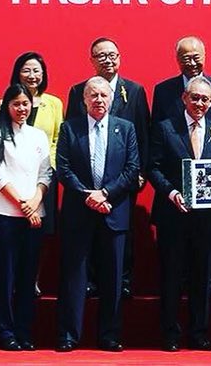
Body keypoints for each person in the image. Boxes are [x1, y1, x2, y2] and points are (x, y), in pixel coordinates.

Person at [56, 77, 141, 352]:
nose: (99, 100)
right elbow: (64, 168)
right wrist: (88, 196)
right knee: (74, 276)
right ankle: (70, 334)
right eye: (93, 95)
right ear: (84, 99)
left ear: (112, 98)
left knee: (113, 277)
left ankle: (109, 335)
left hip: (113, 211)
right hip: (79, 212)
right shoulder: (70, 128)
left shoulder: (125, 129)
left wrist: (104, 194)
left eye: (104, 95)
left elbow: (132, 169)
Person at [147, 76, 211, 352]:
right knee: (171, 275)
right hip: (173, 214)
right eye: (195, 98)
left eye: (205, 99)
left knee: (202, 276)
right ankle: (170, 333)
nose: (199, 104)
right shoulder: (165, 128)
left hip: (205, 219)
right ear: (184, 98)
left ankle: (199, 333)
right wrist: (172, 193)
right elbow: (153, 168)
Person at [66, 37, 149, 298]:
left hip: (123, 179)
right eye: (100, 55)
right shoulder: (79, 90)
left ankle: (122, 280)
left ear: (120, 57)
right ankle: (90, 280)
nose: (107, 60)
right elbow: (72, 133)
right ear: (91, 60)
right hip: (87, 180)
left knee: (120, 233)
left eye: (112, 54)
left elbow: (143, 134)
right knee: (88, 232)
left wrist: (140, 172)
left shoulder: (134, 90)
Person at [0, 84, 53, 352]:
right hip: (5, 215)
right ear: (7, 106)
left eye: (25, 104)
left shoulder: (37, 136)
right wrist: (24, 206)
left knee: (28, 279)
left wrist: (35, 202)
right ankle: (6, 332)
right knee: (6, 277)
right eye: (16, 104)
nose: (21, 109)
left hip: (35, 216)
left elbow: (46, 173)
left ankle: (25, 331)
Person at [8, 51, 62, 295]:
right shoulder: (6, 101)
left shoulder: (54, 103)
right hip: (16, 178)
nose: (32, 75)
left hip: (44, 179)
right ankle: (15, 278)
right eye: (27, 70)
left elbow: (57, 139)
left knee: (41, 232)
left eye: (37, 70)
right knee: (16, 230)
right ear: (18, 73)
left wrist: (47, 169)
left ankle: (33, 279)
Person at [151, 36, 211, 151]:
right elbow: (156, 131)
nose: (192, 63)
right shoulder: (163, 90)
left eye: (196, 57)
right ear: (177, 59)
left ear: (204, 56)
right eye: (186, 59)